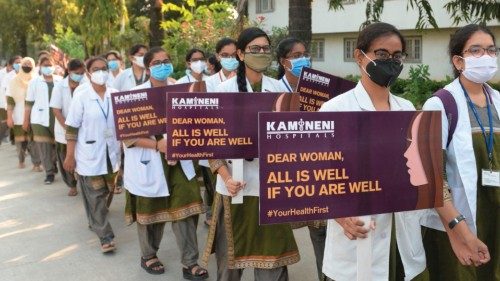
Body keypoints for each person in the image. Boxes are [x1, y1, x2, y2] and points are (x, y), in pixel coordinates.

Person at [319, 22, 428, 281]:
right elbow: (318, 174)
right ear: (360, 56)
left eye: (397, 56)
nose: (390, 61)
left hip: (401, 233)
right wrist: (339, 215)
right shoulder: (335, 110)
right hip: (357, 233)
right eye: (381, 55)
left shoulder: (407, 108)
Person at [202, 27, 299, 281]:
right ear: (241, 55)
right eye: (255, 49)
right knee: (229, 265)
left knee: (273, 262)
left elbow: (292, 141)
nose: (261, 53)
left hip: (272, 189)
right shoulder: (223, 92)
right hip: (234, 188)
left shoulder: (280, 91)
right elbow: (212, 143)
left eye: (266, 49)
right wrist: (225, 177)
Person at [421, 23, 497, 281]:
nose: (485, 56)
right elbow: (432, 178)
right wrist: (459, 234)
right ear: (458, 60)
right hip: (455, 224)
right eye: (475, 50)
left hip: (495, 220)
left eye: (490, 50)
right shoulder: (441, 104)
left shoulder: (498, 101)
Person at [122, 46, 178, 275]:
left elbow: (193, 125)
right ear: (147, 67)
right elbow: (127, 136)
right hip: (148, 159)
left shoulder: (180, 89)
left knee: (183, 210)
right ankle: (148, 255)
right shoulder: (136, 94)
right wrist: (157, 145)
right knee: (149, 211)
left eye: (167, 60)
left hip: (178, 161)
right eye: (157, 62)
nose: (163, 65)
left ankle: (191, 260)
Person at [276, 37, 326, 281]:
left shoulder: (320, 90)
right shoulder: (273, 91)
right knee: (277, 236)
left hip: (316, 171)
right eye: (296, 56)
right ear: (283, 62)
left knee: (322, 232)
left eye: (305, 54)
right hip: (284, 175)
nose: (302, 59)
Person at [63, 57, 120, 253]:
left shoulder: (116, 95)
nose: (101, 72)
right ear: (88, 73)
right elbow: (71, 128)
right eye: (96, 69)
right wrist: (70, 156)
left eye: (104, 69)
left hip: (111, 154)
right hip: (88, 153)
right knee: (95, 195)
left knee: (106, 193)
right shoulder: (82, 95)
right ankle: (106, 236)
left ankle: (95, 220)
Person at [24, 56, 63, 184]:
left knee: (58, 145)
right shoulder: (34, 82)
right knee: (44, 146)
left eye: (50, 65)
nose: (48, 68)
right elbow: (29, 103)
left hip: (57, 118)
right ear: (40, 66)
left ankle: (54, 164)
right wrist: (26, 120)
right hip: (39, 120)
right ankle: (49, 173)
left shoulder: (60, 80)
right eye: (45, 65)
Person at [50, 59, 86, 196]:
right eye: (77, 73)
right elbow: (56, 109)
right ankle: (71, 184)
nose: (80, 75)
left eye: (82, 73)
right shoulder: (59, 87)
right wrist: (67, 127)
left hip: (83, 130)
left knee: (82, 157)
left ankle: (83, 182)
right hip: (63, 129)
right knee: (66, 157)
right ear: (69, 72)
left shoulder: (86, 85)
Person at [6, 57, 41, 170]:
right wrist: (9, 117)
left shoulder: (37, 80)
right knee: (21, 142)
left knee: (34, 141)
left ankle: (36, 164)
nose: (27, 66)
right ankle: (21, 160)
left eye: (29, 64)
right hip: (18, 116)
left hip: (35, 116)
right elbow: (10, 101)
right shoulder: (14, 81)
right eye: (24, 64)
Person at [0, 55, 22, 144]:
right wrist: (7, 104)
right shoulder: (8, 76)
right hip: (5, 103)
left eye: (21, 62)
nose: (19, 64)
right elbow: (6, 91)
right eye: (17, 63)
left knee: (16, 121)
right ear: (12, 64)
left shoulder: (26, 75)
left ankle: (14, 139)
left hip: (20, 104)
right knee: (6, 122)